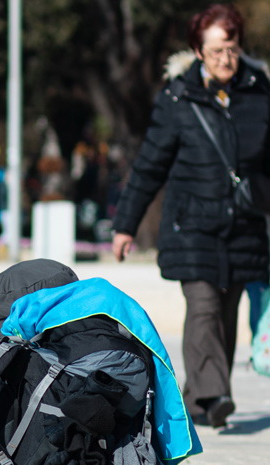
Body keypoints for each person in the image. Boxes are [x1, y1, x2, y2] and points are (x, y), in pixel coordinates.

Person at [112, 4, 270, 429]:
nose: (225, 60)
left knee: (227, 310)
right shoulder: (177, 98)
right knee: (202, 306)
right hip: (192, 225)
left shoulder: (259, 94)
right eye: (216, 51)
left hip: (244, 224)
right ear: (198, 51)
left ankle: (196, 401)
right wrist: (126, 224)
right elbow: (149, 165)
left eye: (232, 50)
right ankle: (216, 393)